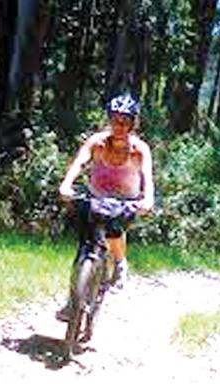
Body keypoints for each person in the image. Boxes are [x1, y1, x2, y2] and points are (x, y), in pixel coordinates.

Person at [55, 94, 155, 321]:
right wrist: (66, 185)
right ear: (109, 120)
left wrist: (147, 199)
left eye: (125, 121)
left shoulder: (139, 149)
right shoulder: (97, 142)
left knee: (113, 233)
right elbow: (79, 162)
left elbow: (147, 177)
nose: (119, 126)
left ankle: (120, 263)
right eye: (115, 119)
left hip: (125, 201)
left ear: (133, 124)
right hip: (96, 196)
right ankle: (73, 301)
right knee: (84, 248)